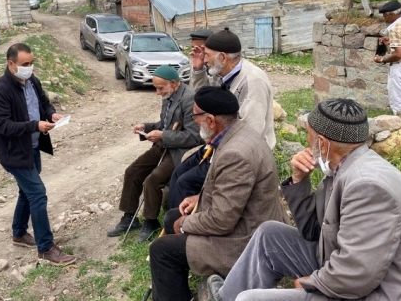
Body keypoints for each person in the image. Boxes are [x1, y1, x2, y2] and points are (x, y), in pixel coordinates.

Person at [207, 98, 401, 301]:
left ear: (324, 143)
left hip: (378, 292)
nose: (308, 145)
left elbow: (357, 273)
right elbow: (313, 232)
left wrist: (313, 282)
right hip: (343, 269)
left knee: (250, 299)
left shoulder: (367, 187)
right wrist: (299, 180)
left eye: (309, 137)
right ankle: (227, 296)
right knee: (270, 234)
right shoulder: (341, 169)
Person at [149, 86, 285, 301]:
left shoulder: (235, 153)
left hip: (245, 239)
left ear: (211, 120)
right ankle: (176, 289)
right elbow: (230, 191)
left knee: (162, 250)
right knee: (172, 217)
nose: (194, 122)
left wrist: (185, 224)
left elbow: (222, 221)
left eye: (195, 116)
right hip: (245, 220)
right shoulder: (238, 132)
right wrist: (198, 199)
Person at [0, 43, 77, 266]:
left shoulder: (32, 81)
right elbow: (4, 126)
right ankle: (46, 248)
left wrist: (52, 115)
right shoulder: (0, 90)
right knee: (37, 193)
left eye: (32, 63)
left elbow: (43, 104)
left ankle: (19, 233)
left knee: (26, 190)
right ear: (11, 64)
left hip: (33, 147)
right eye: (25, 64)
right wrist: (34, 126)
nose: (30, 68)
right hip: (13, 152)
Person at [107, 65, 201, 242]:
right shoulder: (169, 94)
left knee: (153, 180)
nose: (158, 92)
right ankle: (129, 217)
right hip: (163, 145)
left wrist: (163, 135)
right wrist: (147, 127)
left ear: (174, 83)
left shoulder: (190, 99)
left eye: (160, 88)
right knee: (133, 171)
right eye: (155, 88)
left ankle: (151, 222)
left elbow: (194, 136)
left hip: (180, 152)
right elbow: (165, 123)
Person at [191, 27, 275, 150]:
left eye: (208, 55)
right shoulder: (220, 72)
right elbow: (204, 102)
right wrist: (198, 70)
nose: (205, 60)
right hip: (224, 144)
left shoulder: (253, 81)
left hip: (246, 154)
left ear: (222, 58)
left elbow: (251, 130)